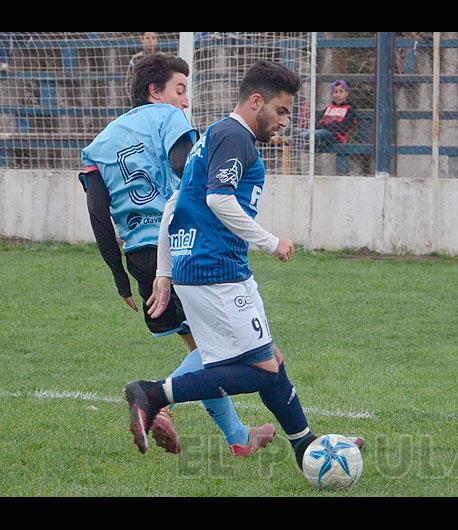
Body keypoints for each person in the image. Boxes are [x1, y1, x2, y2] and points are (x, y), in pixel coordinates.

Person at [127, 60, 363, 469]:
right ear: (257, 101)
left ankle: (303, 443)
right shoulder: (235, 137)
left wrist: (165, 271)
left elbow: (173, 205)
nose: (285, 121)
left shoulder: (212, 136)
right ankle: (153, 394)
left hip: (198, 268)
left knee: (269, 357)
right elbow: (220, 199)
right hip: (216, 270)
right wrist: (271, 242)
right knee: (263, 369)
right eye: (282, 111)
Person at [79, 52, 274, 457]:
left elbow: (98, 214)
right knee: (239, 349)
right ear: (155, 92)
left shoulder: (100, 143)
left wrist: (120, 281)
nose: (186, 101)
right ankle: (155, 400)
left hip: (139, 258)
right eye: (180, 90)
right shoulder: (167, 118)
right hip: (182, 247)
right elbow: (187, 169)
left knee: (201, 349)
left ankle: (238, 438)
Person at [271, 79, 358, 148]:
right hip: (319, 131)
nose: (338, 95)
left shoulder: (349, 109)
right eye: (335, 92)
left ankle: (291, 140)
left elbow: (342, 127)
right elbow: (318, 122)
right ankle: (284, 137)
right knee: (297, 130)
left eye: (341, 92)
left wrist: (327, 125)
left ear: (346, 94)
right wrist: (328, 125)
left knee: (319, 133)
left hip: (335, 136)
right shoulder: (329, 108)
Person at [125, 32, 159, 102]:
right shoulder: (136, 59)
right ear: (142, 39)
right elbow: (128, 82)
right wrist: (134, 99)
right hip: (141, 98)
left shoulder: (162, 59)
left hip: (158, 98)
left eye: (153, 38)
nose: (150, 41)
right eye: (147, 38)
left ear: (156, 40)